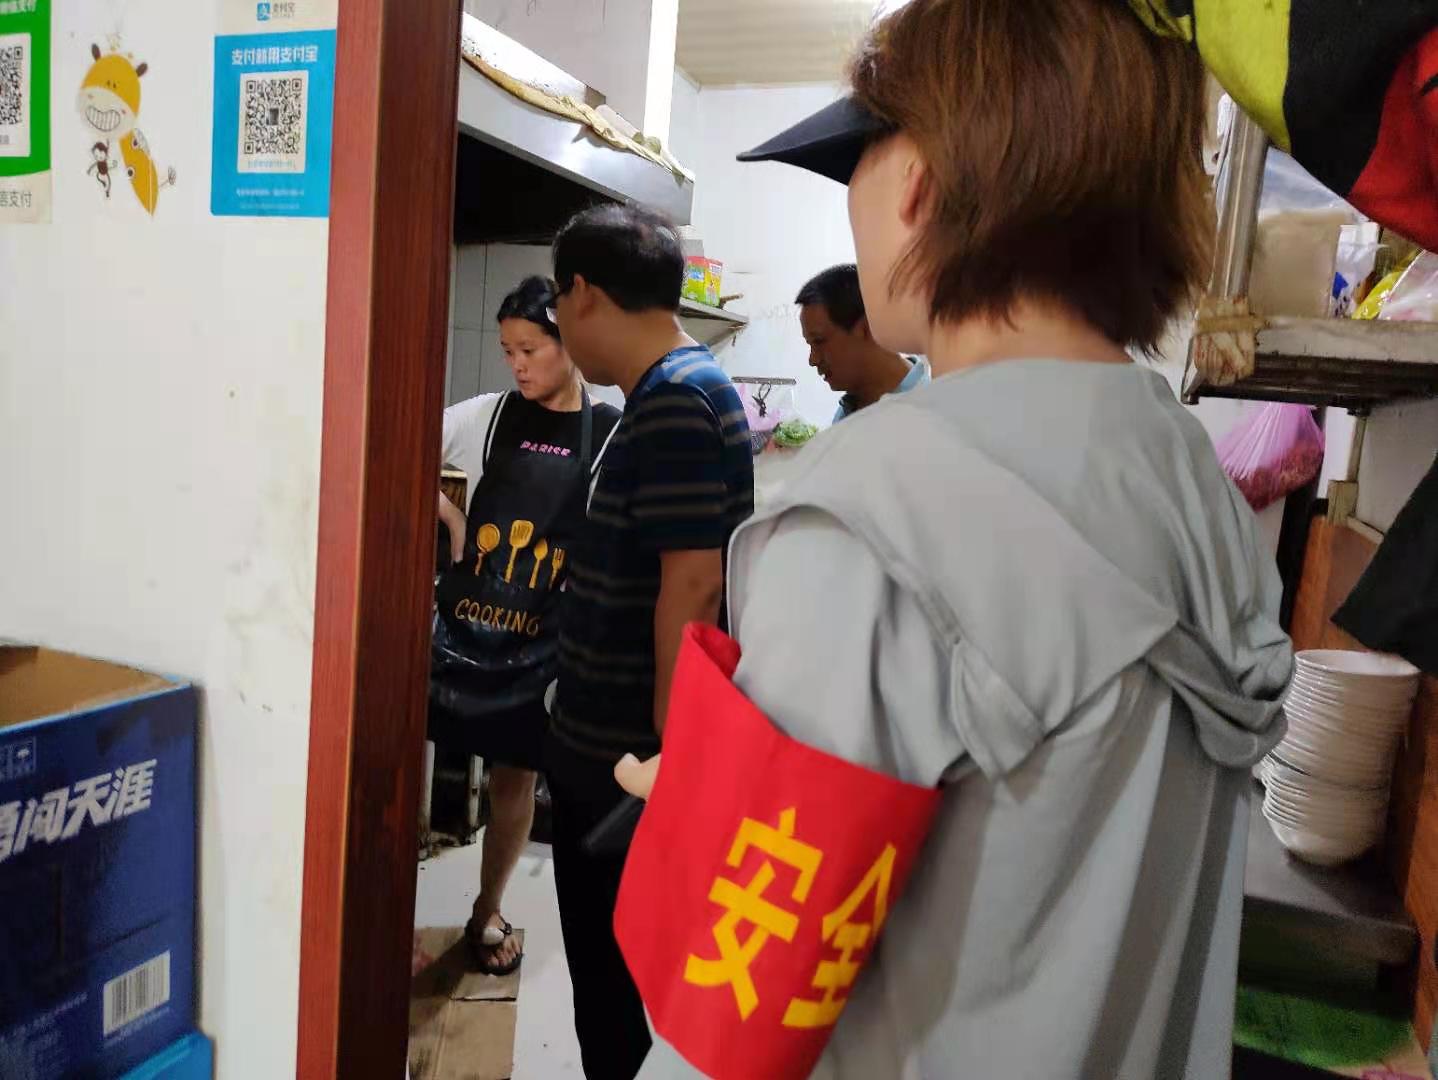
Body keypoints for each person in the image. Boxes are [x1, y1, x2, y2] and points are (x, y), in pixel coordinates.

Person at [611, 2, 1292, 1078]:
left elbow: (731, 1020)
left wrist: (703, 815)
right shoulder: (1186, 471)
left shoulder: (881, 506)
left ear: (918, 182)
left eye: (855, 163)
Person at [546, 203, 754, 1080]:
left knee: (614, 981)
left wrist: (672, 750)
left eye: (557, 303)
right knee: (613, 976)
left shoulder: (674, 400)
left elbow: (694, 582)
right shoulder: (673, 390)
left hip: (626, 756)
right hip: (614, 744)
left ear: (583, 293)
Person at [429, 275, 621, 976]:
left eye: (530, 350)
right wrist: (449, 515)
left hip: (539, 643)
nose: (517, 365)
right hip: (459, 633)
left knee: (513, 781)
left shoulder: (609, 431)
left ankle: (487, 908)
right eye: (508, 351)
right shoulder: (487, 416)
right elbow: (391, 436)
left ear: (568, 344)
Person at [795, 263, 929, 422]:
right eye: (810, 344)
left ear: (867, 328)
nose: (813, 360)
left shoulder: (927, 414)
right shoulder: (848, 409)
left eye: (819, 341)